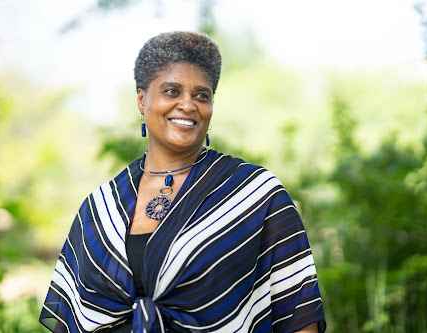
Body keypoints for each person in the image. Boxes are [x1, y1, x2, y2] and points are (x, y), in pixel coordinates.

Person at [39, 31, 326, 333]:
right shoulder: (101, 207)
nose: (188, 105)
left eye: (201, 95)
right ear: (141, 99)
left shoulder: (256, 196)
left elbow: (298, 312)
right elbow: (70, 319)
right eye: (172, 92)